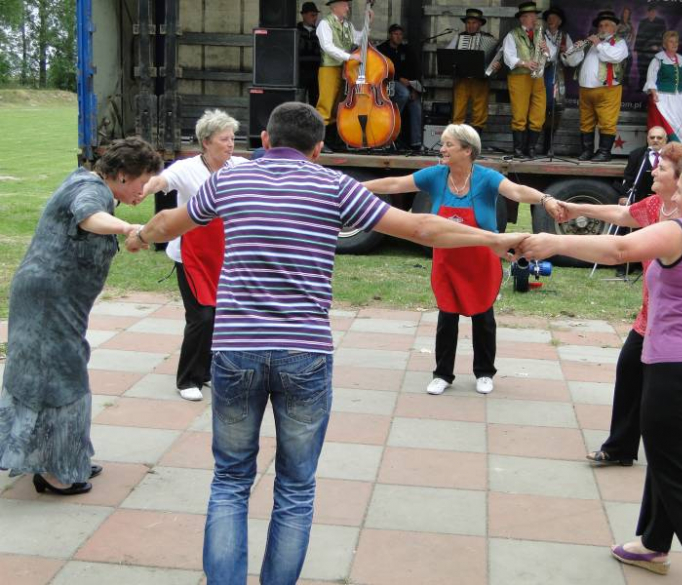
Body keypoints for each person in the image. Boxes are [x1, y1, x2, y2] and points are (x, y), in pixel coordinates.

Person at [124, 103, 528, 585]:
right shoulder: (334, 185)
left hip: (235, 350)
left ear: (265, 140)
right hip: (306, 353)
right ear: (318, 149)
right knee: (295, 488)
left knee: (230, 482)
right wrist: (492, 239)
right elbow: (422, 227)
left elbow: (170, 223)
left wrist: (139, 234)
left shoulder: (229, 180)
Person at [521, 150, 682, 584]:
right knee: (674, 459)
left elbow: (618, 248)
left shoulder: (678, 232)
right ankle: (652, 543)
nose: (676, 194)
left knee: (681, 479)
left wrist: (556, 242)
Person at [0, 137, 162, 496]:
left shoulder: (92, 184)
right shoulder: (90, 189)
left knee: (61, 371)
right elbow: (88, 217)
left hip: (57, 300)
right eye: (141, 183)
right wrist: (127, 228)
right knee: (59, 377)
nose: (143, 192)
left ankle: (67, 457)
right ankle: (53, 472)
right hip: (47, 300)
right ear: (122, 174)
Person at [362, 124, 563, 396]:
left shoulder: (487, 178)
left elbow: (516, 191)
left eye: (449, 144)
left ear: (467, 150)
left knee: (483, 317)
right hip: (446, 259)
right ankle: (442, 374)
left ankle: (484, 372)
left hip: (481, 259)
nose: (442, 149)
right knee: (447, 316)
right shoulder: (436, 175)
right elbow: (396, 184)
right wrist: (356, 187)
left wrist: (545, 198)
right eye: (443, 144)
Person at [557, 143, 682, 469]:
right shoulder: (656, 205)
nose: (653, 171)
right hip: (650, 316)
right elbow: (623, 214)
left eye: (662, 168)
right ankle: (620, 448)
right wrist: (576, 209)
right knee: (630, 369)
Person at [141, 110, 247, 402]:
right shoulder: (186, 168)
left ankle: (207, 371)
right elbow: (160, 182)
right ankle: (187, 379)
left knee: (221, 316)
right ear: (206, 142)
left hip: (225, 253)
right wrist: (143, 189)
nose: (230, 144)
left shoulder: (239, 166)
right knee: (201, 316)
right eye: (224, 139)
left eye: (232, 138)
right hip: (191, 255)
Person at [563, 10, 629, 162]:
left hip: (608, 90)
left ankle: (604, 152)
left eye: (606, 25)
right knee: (585, 122)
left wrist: (598, 44)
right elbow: (571, 62)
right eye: (600, 26)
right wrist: (574, 49)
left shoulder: (619, 42)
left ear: (614, 28)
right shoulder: (590, 44)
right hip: (585, 90)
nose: (602, 28)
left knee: (607, 122)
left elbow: (614, 57)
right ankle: (587, 151)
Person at [315, 0, 371, 151]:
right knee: (325, 105)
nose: (347, 8)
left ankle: (334, 141)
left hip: (344, 69)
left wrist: (368, 23)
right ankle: (319, 142)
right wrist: (349, 57)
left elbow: (357, 39)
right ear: (335, 7)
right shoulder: (325, 24)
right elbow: (327, 46)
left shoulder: (347, 25)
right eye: (345, 5)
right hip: (329, 68)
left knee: (337, 106)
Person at [613, 126, 668, 276]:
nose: (655, 140)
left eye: (659, 138)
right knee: (633, 233)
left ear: (665, 140)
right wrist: (624, 195)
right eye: (652, 137)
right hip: (640, 198)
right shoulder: (637, 154)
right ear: (647, 139)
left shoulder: (670, 156)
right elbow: (628, 178)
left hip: (664, 200)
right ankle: (625, 267)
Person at [503, 2, 548, 159]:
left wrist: (546, 51)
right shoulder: (512, 35)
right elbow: (508, 57)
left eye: (535, 16)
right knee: (520, 113)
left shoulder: (539, 34)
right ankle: (519, 150)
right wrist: (525, 63)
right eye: (532, 16)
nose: (535, 19)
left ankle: (531, 148)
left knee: (539, 113)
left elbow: (548, 57)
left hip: (538, 77)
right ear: (523, 18)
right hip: (519, 77)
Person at [446, 8, 500, 136]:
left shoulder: (490, 39)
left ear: (480, 24)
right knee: (458, 110)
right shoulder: (459, 38)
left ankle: (475, 139)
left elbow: (497, 57)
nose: (470, 25)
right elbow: (448, 54)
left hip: (480, 80)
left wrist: (496, 66)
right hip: (462, 79)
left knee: (479, 112)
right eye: (468, 23)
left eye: (474, 23)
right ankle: (457, 139)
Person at [644, 31, 682, 145]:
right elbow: (651, 79)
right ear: (664, 44)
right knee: (665, 124)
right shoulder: (658, 60)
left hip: (679, 98)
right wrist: (654, 93)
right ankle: (663, 148)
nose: (674, 44)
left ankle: (680, 148)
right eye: (671, 42)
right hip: (663, 97)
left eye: (676, 42)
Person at [377, 24, 423, 151]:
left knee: (416, 105)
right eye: (395, 34)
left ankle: (416, 142)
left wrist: (414, 89)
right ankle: (393, 124)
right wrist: (399, 78)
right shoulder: (382, 49)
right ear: (390, 35)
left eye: (400, 34)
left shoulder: (407, 50)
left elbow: (415, 70)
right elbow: (381, 69)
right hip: (390, 82)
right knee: (403, 94)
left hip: (408, 84)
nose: (398, 37)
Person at [541, 6, 573, 155]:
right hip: (541, 75)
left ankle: (548, 145)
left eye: (554, 18)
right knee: (539, 108)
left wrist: (565, 52)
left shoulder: (565, 36)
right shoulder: (540, 35)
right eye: (549, 18)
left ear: (560, 22)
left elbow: (572, 60)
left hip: (557, 76)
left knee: (555, 109)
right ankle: (532, 146)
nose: (551, 20)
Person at [635, 2, 667, 89]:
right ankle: (641, 86)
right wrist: (636, 49)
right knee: (641, 69)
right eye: (650, 11)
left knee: (653, 70)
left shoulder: (661, 22)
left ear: (655, 12)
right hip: (642, 50)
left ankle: (652, 88)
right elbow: (639, 36)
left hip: (654, 50)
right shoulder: (642, 22)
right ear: (648, 12)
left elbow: (664, 36)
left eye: (653, 11)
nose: (652, 13)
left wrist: (658, 46)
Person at [297, 2, 321, 108]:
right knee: (298, 103)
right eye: (312, 15)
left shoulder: (319, 31)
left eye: (316, 15)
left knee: (315, 103)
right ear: (304, 15)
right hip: (300, 73)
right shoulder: (296, 31)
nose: (315, 18)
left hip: (315, 73)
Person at [616, 7, 635, 87]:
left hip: (628, 47)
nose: (626, 14)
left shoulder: (630, 24)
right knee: (620, 64)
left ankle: (626, 79)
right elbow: (614, 34)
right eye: (625, 12)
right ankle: (619, 81)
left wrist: (631, 42)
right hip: (620, 47)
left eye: (627, 13)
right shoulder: (619, 23)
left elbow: (633, 34)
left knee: (629, 62)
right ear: (622, 13)